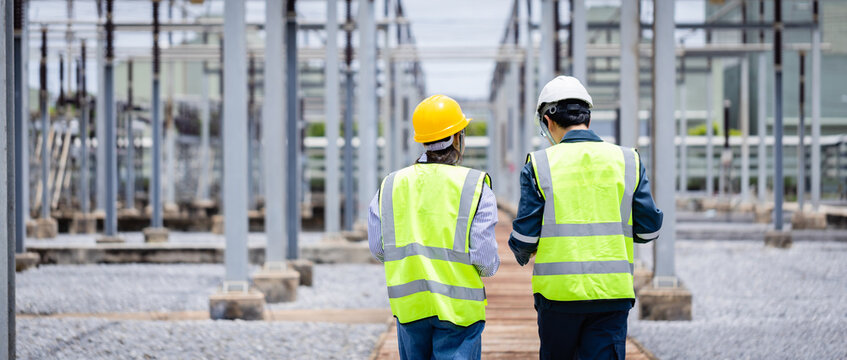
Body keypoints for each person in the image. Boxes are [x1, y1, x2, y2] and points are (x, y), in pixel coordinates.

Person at [508, 76, 663, 359]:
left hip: (559, 297)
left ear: (548, 121)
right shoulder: (628, 160)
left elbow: (525, 237)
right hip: (612, 295)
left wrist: (520, 252)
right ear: (587, 119)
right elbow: (649, 229)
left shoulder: (540, 164)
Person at [367, 94, 500, 360]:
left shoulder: (392, 184)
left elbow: (379, 248)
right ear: (457, 137)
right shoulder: (474, 186)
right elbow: (486, 263)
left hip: (410, 308)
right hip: (459, 312)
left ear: (422, 139)